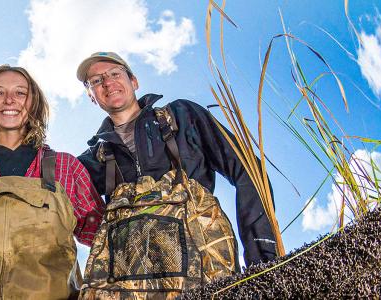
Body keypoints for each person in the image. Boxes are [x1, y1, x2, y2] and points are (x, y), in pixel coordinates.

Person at [74, 52, 279, 298]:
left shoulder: (182, 117)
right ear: (91, 97)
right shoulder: (89, 161)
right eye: (96, 81)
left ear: (134, 81)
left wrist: (263, 259)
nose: (108, 83)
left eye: (115, 74)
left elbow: (249, 171)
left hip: (204, 270)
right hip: (132, 283)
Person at [0, 65, 105, 299]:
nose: (9, 100)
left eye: (20, 93)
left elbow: (104, 239)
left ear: (33, 102)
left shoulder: (65, 167)